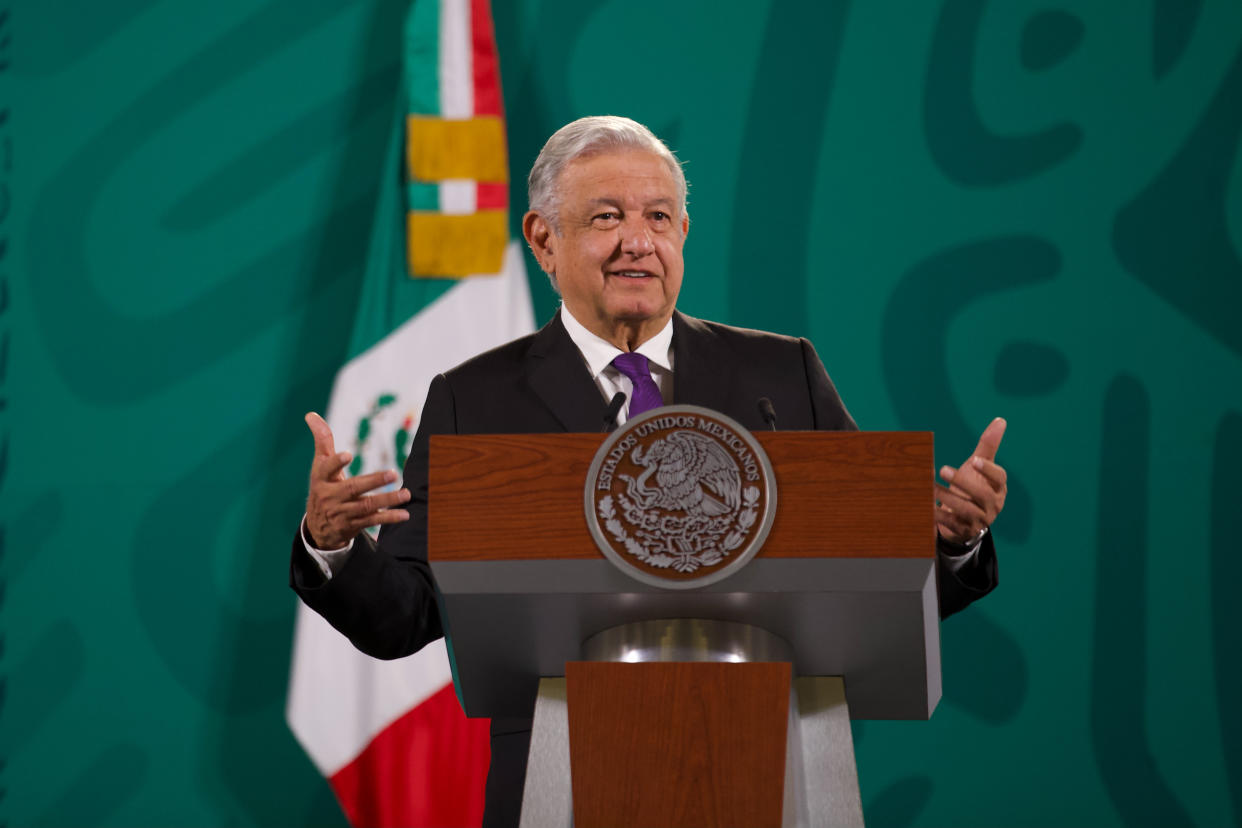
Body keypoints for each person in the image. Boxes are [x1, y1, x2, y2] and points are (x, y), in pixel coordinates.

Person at [291, 116, 1008, 826]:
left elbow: (875, 573)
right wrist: (333, 545)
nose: (639, 241)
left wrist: (948, 542)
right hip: (559, 774)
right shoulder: (473, 398)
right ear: (544, 238)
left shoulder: (779, 374)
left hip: (771, 765)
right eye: (607, 217)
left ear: (683, 235)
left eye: (659, 216)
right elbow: (406, 616)